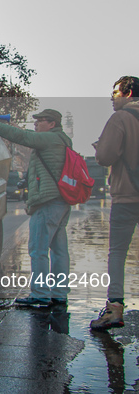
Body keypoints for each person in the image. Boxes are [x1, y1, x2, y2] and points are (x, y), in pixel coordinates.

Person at [0, 106, 71, 307]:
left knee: (38, 249)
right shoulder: (62, 140)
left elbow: (21, 136)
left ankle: (40, 294)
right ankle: (59, 294)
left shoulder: (50, 138)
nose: (35, 123)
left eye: (40, 120)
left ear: (52, 124)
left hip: (47, 202)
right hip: (60, 201)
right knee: (59, 250)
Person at [90, 76, 139, 330]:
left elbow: (106, 157)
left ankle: (114, 310)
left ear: (128, 93)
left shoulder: (120, 119)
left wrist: (100, 149)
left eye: (115, 93)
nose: (112, 98)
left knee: (118, 253)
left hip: (128, 197)